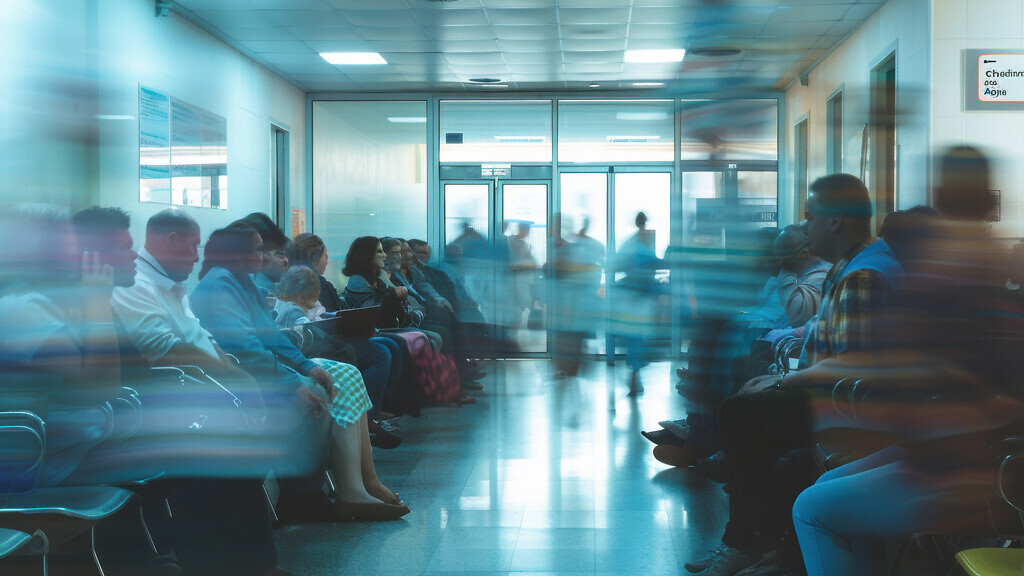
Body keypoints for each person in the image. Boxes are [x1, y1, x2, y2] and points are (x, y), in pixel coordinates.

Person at [792, 147, 1024, 576]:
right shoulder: (989, 276)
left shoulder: (951, 280)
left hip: (967, 471)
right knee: (825, 488)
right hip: (962, 451)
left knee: (811, 509)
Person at [686, 174, 905, 576]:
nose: (805, 227)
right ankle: (767, 545)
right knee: (751, 418)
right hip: (836, 394)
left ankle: (747, 544)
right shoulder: (855, 264)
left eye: (810, 216)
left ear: (835, 220)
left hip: (849, 406)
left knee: (742, 414)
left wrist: (784, 380)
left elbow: (854, 364)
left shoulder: (862, 275)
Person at [189, 223, 408, 520]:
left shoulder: (242, 282)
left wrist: (306, 366)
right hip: (242, 376)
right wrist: (294, 381)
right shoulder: (220, 285)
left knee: (339, 375)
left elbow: (272, 336)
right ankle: (306, 494)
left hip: (258, 367)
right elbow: (247, 347)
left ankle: (360, 483)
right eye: (258, 249)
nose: (263, 255)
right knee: (321, 390)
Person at [610, 211, 666, 395]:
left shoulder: (630, 243)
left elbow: (616, 264)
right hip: (640, 298)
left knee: (634, 339)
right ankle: (635, 377)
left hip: (631, 298)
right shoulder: (642, 245)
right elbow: (651, 267)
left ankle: (635, 376)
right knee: (638, 339)